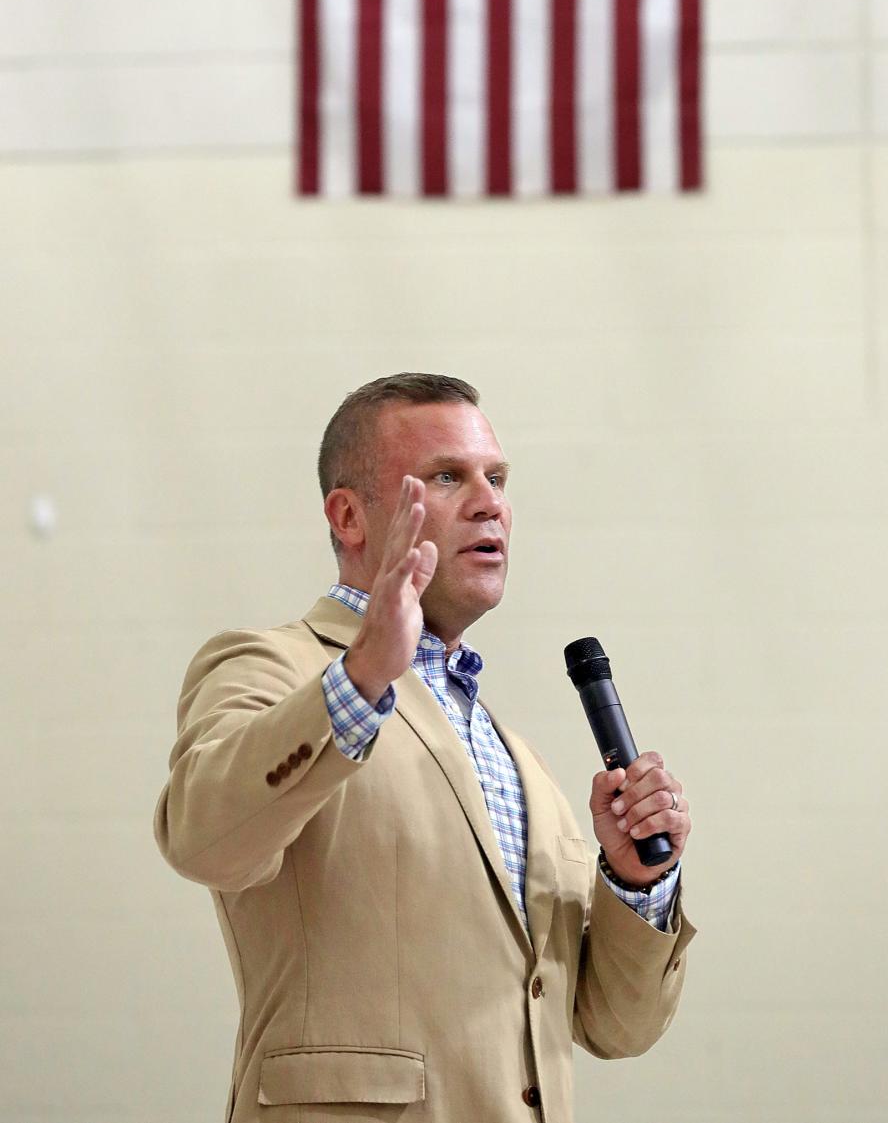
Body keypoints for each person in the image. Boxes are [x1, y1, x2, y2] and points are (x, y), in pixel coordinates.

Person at [154, 373, 695, 1122]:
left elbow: (612, 1024)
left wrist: (636, 881)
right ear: (349, 516)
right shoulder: (271, 666)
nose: (490, 502)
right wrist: (364, 671)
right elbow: (202, 837)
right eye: (448, 476)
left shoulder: (517, 761)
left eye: (497, 478)